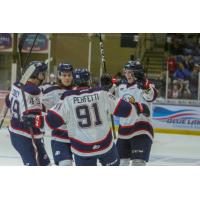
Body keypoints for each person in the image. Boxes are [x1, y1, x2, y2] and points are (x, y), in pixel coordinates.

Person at [22, 69, 150, 166]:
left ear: (74, 81)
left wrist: (35, 120)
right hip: (105, 146)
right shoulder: (101, 93)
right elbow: (125, 110)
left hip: (82, 149)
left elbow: (51, 121)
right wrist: (140, 107)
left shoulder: (68, 98)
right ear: (89, 80)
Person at [5, 61, 50, 166]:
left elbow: (8, 102)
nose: (44, 76)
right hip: (28, 136)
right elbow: (34, 119)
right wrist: (44, 125)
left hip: (14, 134)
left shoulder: (16, 85)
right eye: (42, 73)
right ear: (36, 74)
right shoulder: (34, 91)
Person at [114, 60, 157, 166]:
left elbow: (151, 96)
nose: (128, 75)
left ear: (137, 73)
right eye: (126, 72)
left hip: (141, 130)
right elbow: (110, 101)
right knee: (121, 163)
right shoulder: (121, 87)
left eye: (131, 72)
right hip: (123, 132)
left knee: (138, 163)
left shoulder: (146, 85)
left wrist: (145, 86)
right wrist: (106, 88)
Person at [42, 63, 74, 166]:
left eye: (69, 75)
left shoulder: (78, 90)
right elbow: (40, 105)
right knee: (65, 164)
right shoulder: (52, 91)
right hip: (60, 136)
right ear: (59, 76)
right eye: (64, 75)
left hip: (78, 136)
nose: (67, 78)